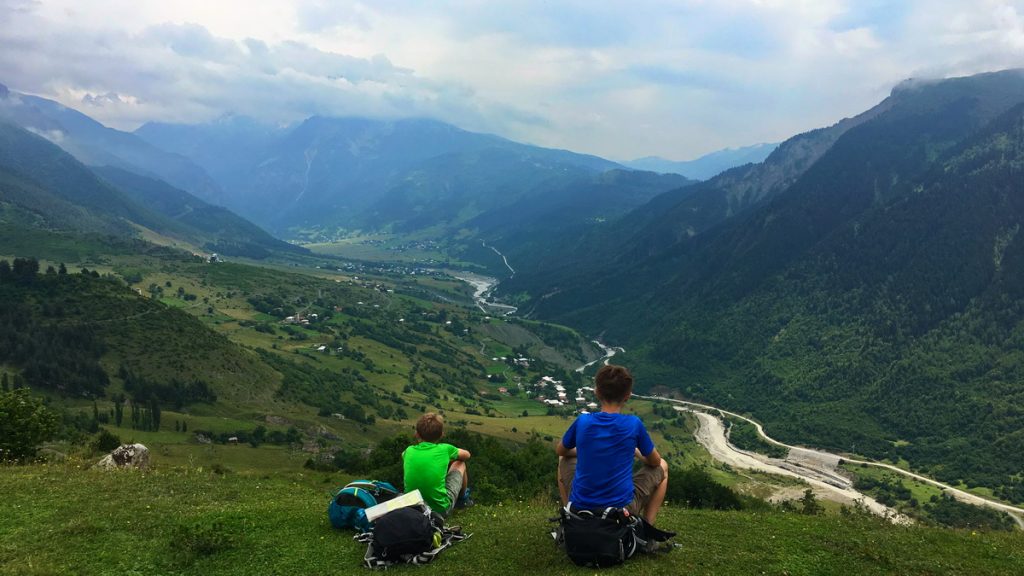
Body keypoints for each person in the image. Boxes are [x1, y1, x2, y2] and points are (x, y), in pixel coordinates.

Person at [556, 364, 669, 525]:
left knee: (562, 460)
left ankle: (570, 519)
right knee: (663, 466)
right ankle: (648, 532)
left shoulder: (583, 421)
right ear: (627, 396)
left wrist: (587, 449)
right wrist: (636, 452)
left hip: (583, 506)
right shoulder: (633, 424)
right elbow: (655, 462)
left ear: (597, 392)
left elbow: (561, 450)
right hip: (621, 511)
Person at [403, 412, 472, 516]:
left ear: (416, 434)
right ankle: (462, 500)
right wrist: (448, 459)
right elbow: (467, 455)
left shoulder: (408, 451)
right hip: (439, 510)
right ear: (441, 435)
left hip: (413, 507)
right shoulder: (445, 449)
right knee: (460, 463)